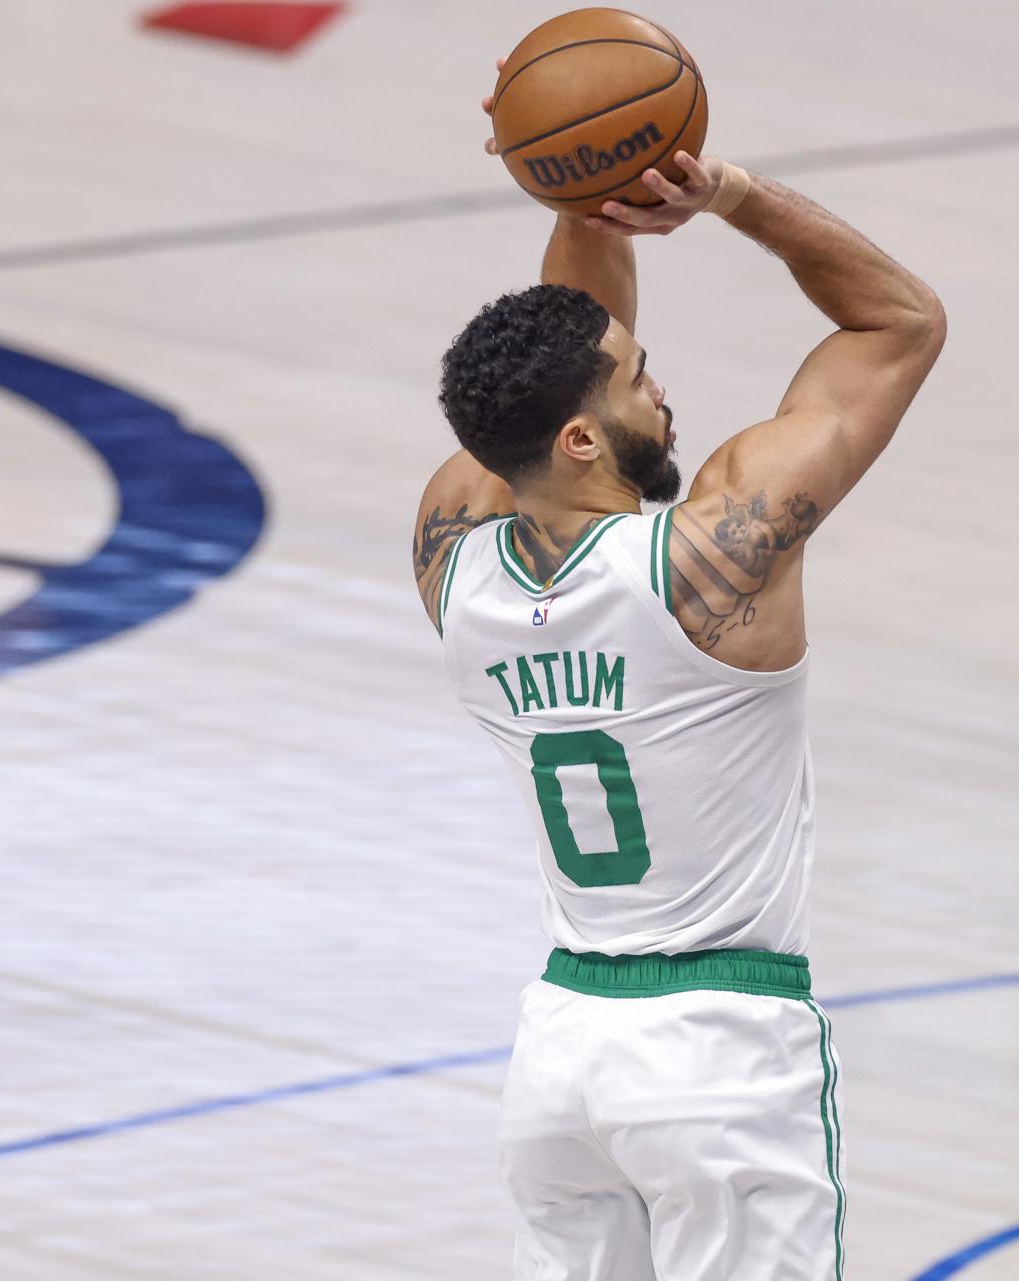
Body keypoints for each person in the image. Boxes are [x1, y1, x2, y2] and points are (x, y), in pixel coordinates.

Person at [408, 77, 943, 1280]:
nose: (662, 385)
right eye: (637, 375)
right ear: (584, 440)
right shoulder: (712, 559)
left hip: (559, 1054)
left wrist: (590, 201)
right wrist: (727, 195)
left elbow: (554, 353)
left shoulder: (451, 555)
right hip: (719, 1047)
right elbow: (898, 325)